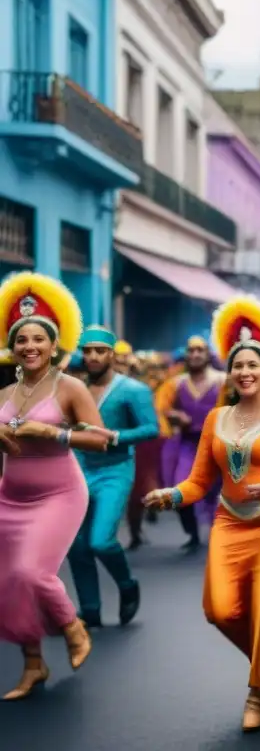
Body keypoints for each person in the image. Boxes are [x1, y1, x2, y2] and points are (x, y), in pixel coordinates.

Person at [143, 295, 260, 732]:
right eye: (238, 366)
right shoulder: (216, 418)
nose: (244, 372)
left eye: (253, 365)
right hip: (230, 520)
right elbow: (199, 482)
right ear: (231, 373)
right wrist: (170, 495)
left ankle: (257, 690)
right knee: (220, 611)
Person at [0, 272, 108, 700]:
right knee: (9, 580)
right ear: (11, 347)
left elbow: (100, 440)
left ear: (53, 344)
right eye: (21, 340)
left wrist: (55, 434)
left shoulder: (70, 387)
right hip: (10, 495)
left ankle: (72, 625)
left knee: (31, 572)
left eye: (38, 339)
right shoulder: (4, 391)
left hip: (59, 494)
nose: (29, 347)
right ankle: (33, 665)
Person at [69, 326, 159, 628]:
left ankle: (126, 583)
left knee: (101, 540)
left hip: (115, 470)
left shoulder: (133, 390)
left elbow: (151, 429)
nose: (93, 356)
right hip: (79, 470)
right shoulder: (75, 388)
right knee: (77, 544)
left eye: (100, 350)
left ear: (111, 354)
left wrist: (116, 436)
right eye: (88, 350)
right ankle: (90, 609)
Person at [163, 336, 226, 550]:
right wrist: (175, 415)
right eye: (191, 350)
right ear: (186, 355)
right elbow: (163, 408)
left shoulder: (223, 381)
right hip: (188, 444)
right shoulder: (176, 383)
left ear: (208, 354)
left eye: (200, 350)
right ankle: (192, 533)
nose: (196, 354)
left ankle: (217, 534)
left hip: (218, 445)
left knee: (216, 492)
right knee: (181, 489)